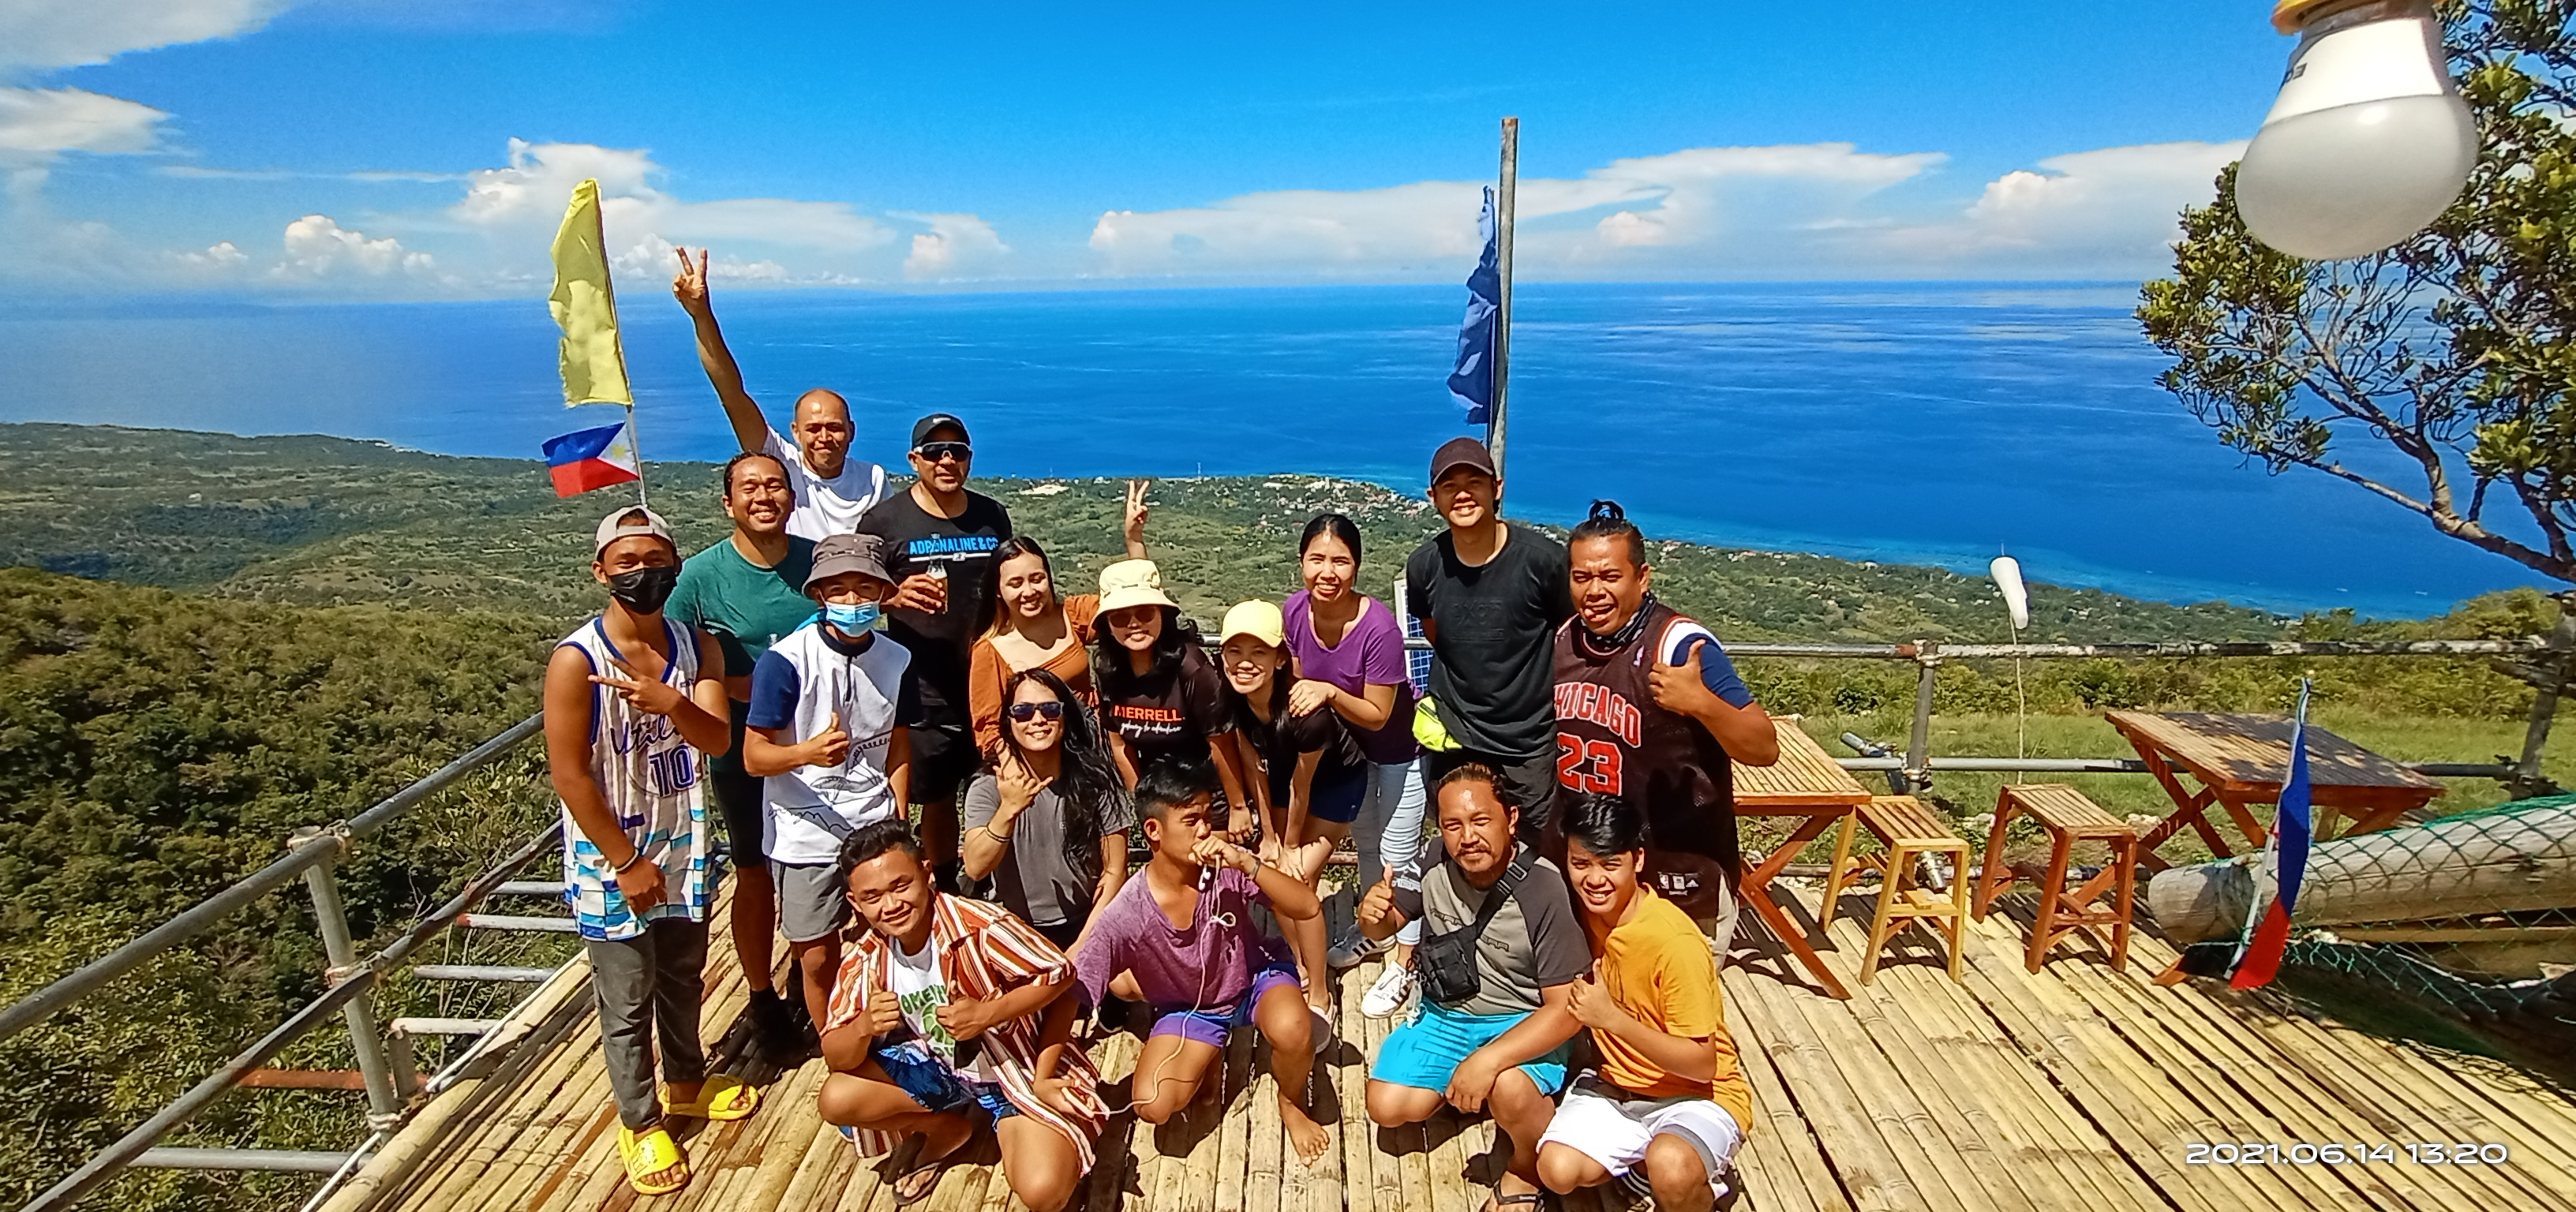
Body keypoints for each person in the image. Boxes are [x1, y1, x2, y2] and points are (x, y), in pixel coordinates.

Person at [541, 506, 759, 1196]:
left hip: (684, 842)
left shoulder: (698, 648)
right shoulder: (576, 662)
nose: (644, 574)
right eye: (628, 562)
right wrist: (624, 861)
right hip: (616, 854)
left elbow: (717, 740)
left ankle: (688, 1081)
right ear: (601, 570)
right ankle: (639, 1120)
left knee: (683, 974)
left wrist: (669, 700)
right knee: (626, 993)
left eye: (656, 560)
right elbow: (570, 773)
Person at [821, 821, 1107, 1211]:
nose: (890, 905)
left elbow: (1060, 976)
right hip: (939, 1069)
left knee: (1043, 1190)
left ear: (927, 872)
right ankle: (944, 1130)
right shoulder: (865, 956)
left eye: (900, 885)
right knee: (836, 1098)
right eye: (872, 896)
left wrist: (989, 1014)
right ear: (856, 903)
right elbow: (836, 1055)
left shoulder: (981, 927)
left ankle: (1024, 1127)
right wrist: (864, 1027)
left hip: (1012, 1071)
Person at [1073, 764, 1336, 1166]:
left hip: (1254, 980)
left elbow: (1307, 905)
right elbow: (1080, 988)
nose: (1204, 831)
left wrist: (1246, 864)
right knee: (1151, 1104)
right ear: (1153, 831)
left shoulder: (1225, 870)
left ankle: (1291, 1101)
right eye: (1191, 820)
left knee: (1295, 1029)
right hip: (1192, 1008)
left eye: (1206, 818)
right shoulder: (1127, 911)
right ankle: (1209, 1052)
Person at [1357, 764, 1589, 1212]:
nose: (1468, 837)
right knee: (1387, 1107)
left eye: (1481, 820)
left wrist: (1489, 1060)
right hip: (1448, 1013)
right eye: (1453, 825)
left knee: (1509, 1090)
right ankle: (1470, 1088)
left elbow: (1565, 1009)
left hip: (1521, 1020)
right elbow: (1389, 921)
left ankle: (1525, 1167)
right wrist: (1372, 916)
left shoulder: (1543, 887)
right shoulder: (1432, 861)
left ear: (1512, 819)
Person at [1553, 500, 1779, 955]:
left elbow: (1763, 747)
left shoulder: (1679, 646)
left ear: (1643, 577)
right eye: (1582, 577)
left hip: (1677, 882)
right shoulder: (1564, 639)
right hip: (1593, 881)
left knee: (1674, 1021)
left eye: (1610, 576)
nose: (1594, 591)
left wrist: (1702, 704)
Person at [664, 450, 818, 1059]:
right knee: (754, 875)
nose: (764, 496)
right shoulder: (699, 579)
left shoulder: (816, 565)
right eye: (749, 488)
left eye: (776, 485)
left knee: (820, 871)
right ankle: (761, 993)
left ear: (792, 496)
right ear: (728, 503)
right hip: (740, 756)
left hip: (818, 752)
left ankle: (814, 984)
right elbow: (672, 660)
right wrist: (741, 690)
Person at [1535, 795, 1753, 1212]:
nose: (1594, 880)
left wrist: (1612, 1020)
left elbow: (1702, 1063)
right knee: (1557, 1171)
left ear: (1637, 860)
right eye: (1580, 864)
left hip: (1699, 1093)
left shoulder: (1675, 942)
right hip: (1616, 1086)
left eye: (1610, 865)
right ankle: (1642, 1166)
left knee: (1672, 1169)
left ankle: (1707, 1184)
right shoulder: (1581, 908)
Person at [743, 534, 920, 1035]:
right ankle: (835, 1044)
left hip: (874, 825)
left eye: (865, 587)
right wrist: (807, 753)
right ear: (819, 594)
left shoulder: (896, 659)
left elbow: (899, 743)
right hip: (805, 831)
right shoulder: (785, 661)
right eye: (838, 590)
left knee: (885, 938)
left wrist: (899, 818)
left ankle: (893, 1033)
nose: (853, 601)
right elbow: (754, 757)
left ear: (883, 592)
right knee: (817, 954)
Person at [1279, 513, 1427, 1017]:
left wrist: (1328, 690)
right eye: (1317, 559)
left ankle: (1405, 963)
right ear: (1301, 562)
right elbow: (1299, 689)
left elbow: (1379, 711)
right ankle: (1375, 932)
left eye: (1340, 561)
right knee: (1366, 845)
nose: (1328, 571)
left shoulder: (1378, 628)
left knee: (1398, 853)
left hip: (1397, 752)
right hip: (1347, 753)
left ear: (1357, 566)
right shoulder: (1295, 613)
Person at [859, 413, 1013, 885]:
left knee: (1005, 788)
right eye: (934, 452)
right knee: (937, 796)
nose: (946, 460)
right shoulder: (884, 522)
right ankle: (945, 885)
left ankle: (1003, 886)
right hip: (922, 684)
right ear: (914, 460)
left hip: (991, 679)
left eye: (957, 452)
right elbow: (851, 593)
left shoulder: (992, 515)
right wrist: (892, 595)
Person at [1405, 437, 1574, 847]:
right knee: (1465, 851)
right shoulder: (1425, 565)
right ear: (1433, 497)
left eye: (1474, 482)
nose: (1462, 494)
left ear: (1496, 488)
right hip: (1456, 738)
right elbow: (1433, 630)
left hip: (1528, 743)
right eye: (1450, 486)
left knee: (1539, 855)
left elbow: (1569, 635)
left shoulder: (1543, 561)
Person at [672, 249, 889, 537]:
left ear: (851, 431)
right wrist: (701, 315)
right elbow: (732, 394)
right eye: (813, 429)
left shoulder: (873, 479)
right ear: (795, 433)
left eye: (834, 428)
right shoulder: (781, 464)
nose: (824, 438)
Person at [1217, 598, 1360, 1024]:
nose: (1245, 663)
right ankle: (1298, 963)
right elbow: (1252, 766)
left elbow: (1304, 785)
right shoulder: (1232, 698)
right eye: (1235, 652)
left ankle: (1320, 992)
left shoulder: (1306, 715)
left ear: (1280, 658)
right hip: (1281, 776)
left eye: (1258, 652)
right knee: (1274, 871)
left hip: (1335, 783)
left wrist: (1290, 844)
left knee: (1297, 879)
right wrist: (1268, 837)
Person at [967, 480, 1151, 759]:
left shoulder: (1073, 616)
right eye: (1015, 583)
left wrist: (1133, 539)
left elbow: (1134, 599)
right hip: (1034, 759)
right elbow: (987, 730)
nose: (1028, 591)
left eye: (1037, 579)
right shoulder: (989, 652)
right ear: (998, 591)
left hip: (1094, 751)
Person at [961, 670, 1136, 952]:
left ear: (1065, 717)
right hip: (1013, 928)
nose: (1038, 720)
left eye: (1050, 709)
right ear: (1009, 722)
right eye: (1023, 712)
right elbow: (975, 867)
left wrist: (1085, 944)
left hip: (1089, 923)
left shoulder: (1097, 782)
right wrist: (1009, 810)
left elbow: (1115, 870)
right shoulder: (988, 788)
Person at [1091, 557, 1254, 831]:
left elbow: (1221, 744)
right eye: (1120, 617)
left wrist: (1238, 808)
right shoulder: (1109, 670)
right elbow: (1120, 747)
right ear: (1108, 624)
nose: (1134, 624)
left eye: (1144, 613)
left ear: (1161, 615)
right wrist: (1143, 804)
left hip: (1209, 802)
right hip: (1162, 802)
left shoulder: (1191, 668)